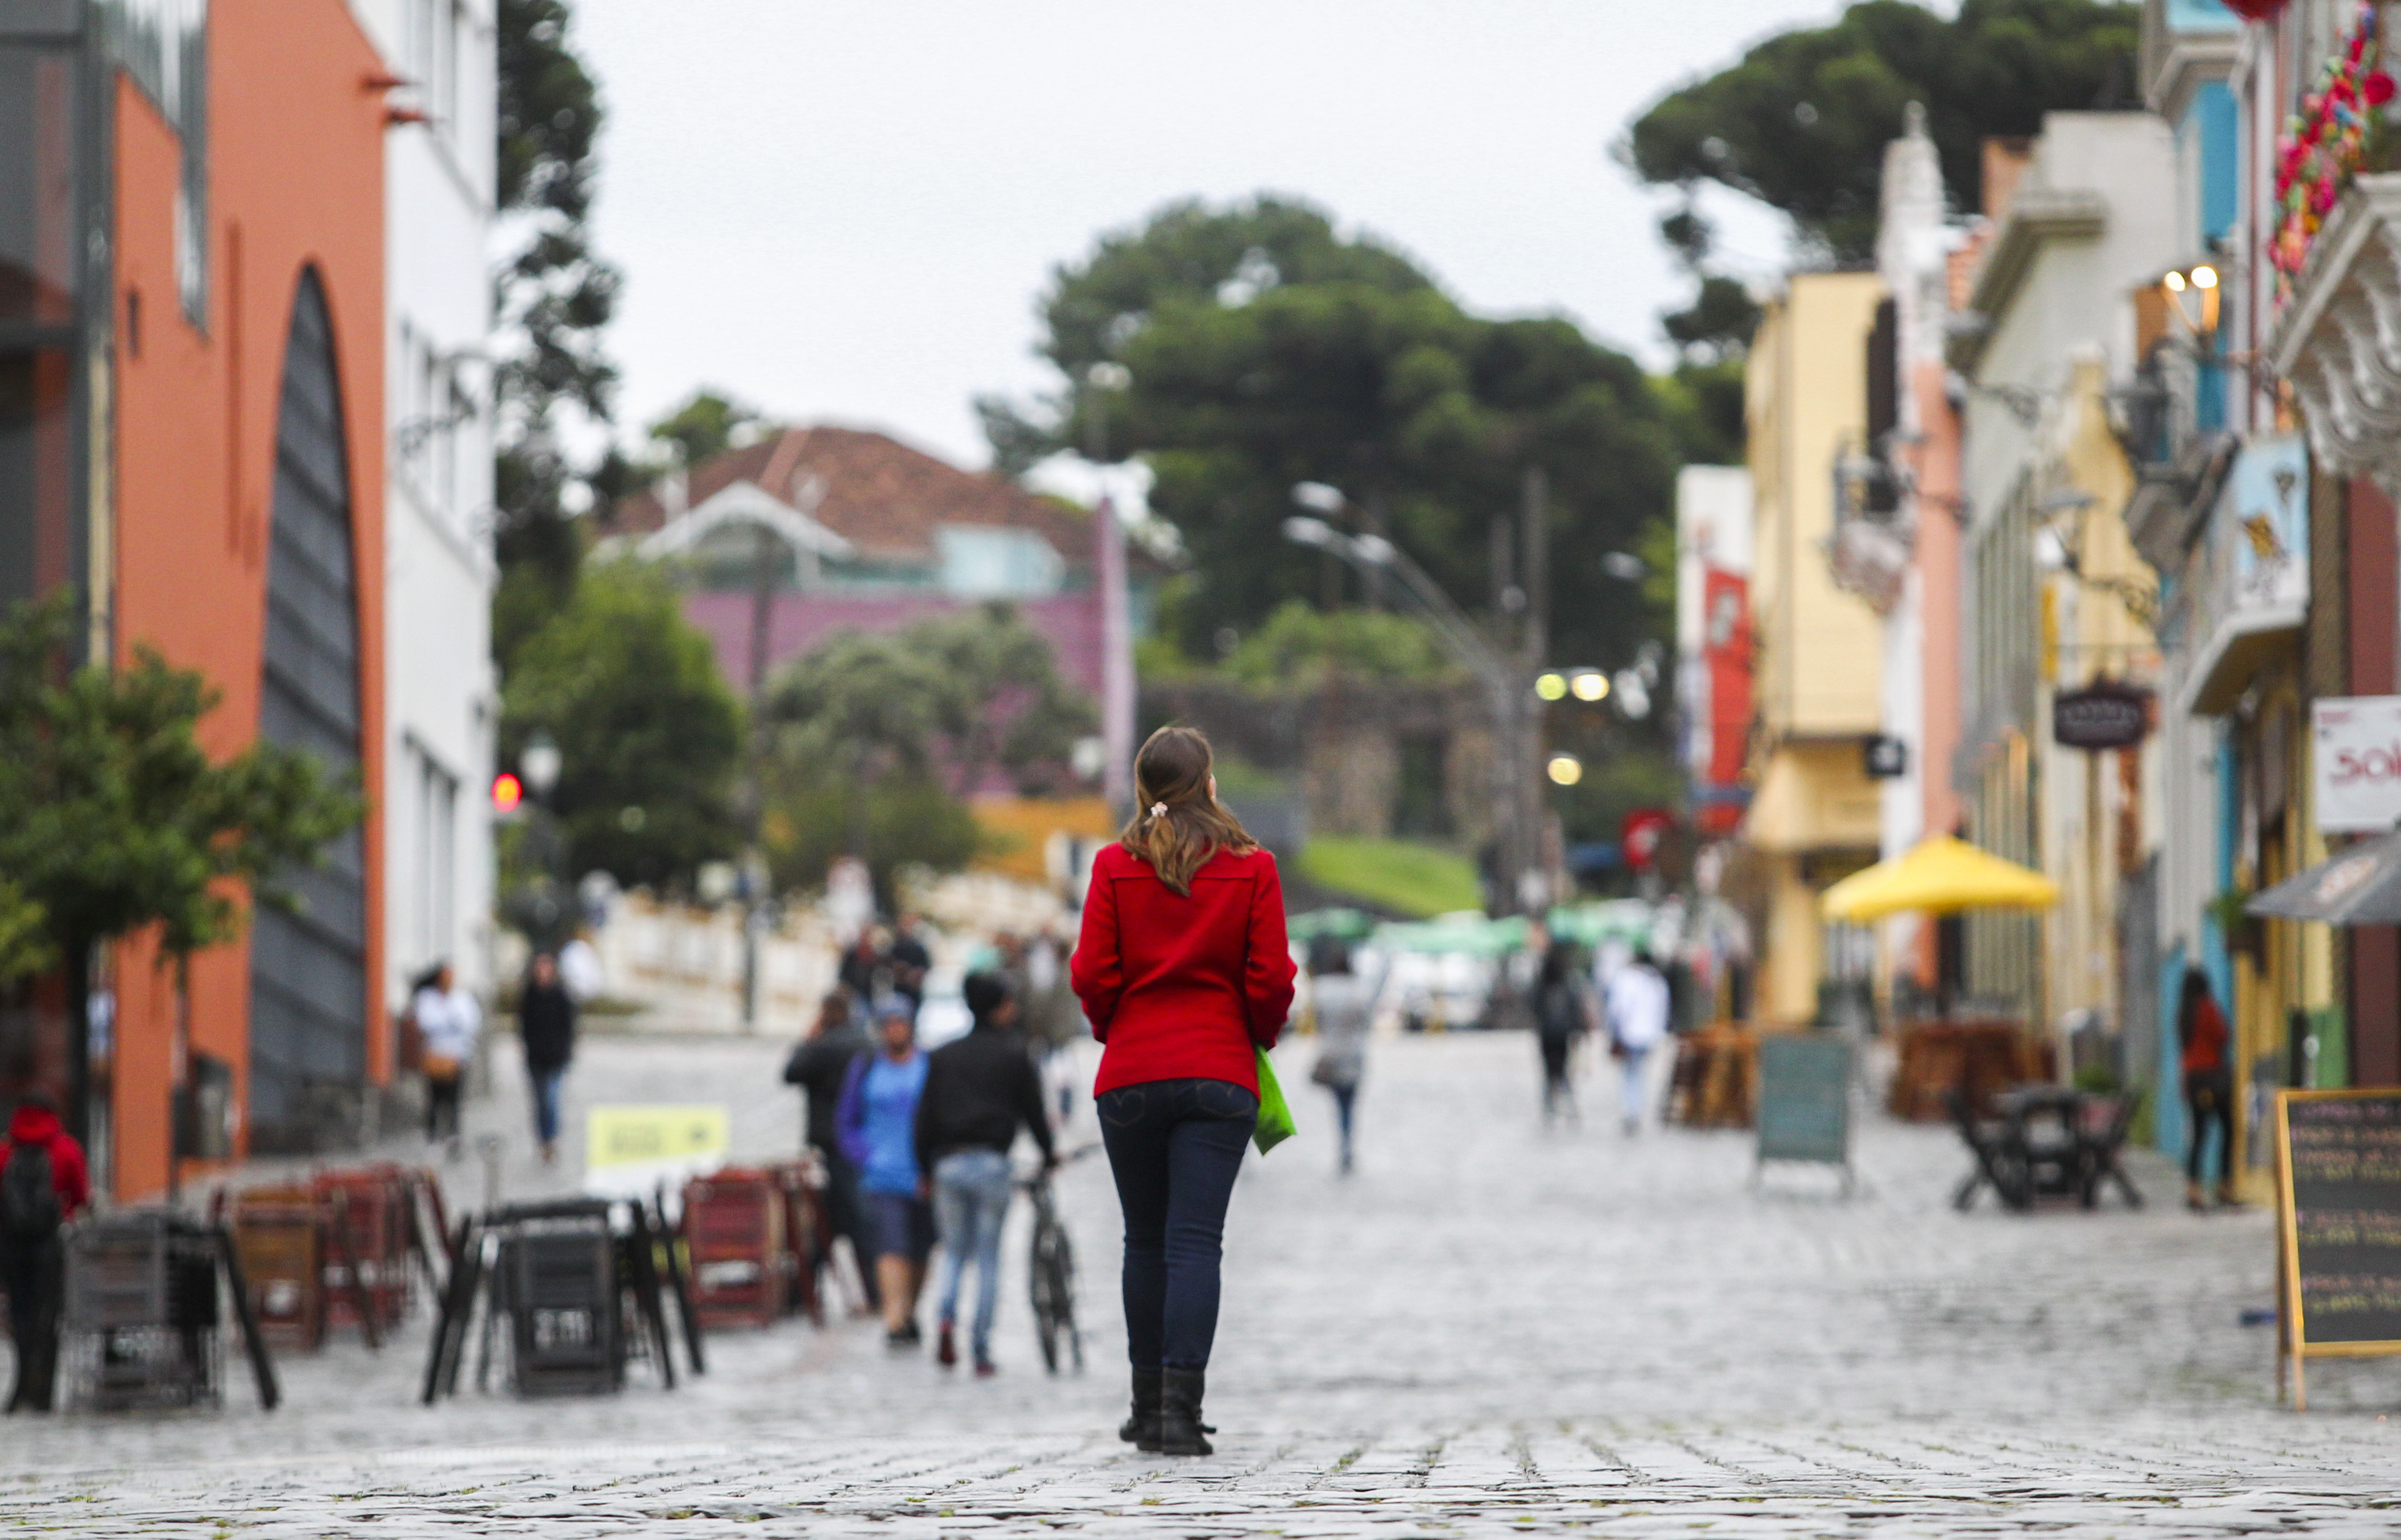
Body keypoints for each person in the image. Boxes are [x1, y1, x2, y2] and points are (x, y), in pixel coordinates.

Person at [1072, 725, 1295, 1457]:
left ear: (1143, 789)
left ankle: (1144, 1407)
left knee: (1143, 1240)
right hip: (1219, 1073)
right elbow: (1271, 978)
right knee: (1196, 1240)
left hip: (1131, 1073)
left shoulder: (1112, 865)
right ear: (1208, 784)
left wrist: (1116, 1028)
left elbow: (1091, 974)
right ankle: (1180, 1410)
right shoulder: (1253, 867)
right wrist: (1253, 1034)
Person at [915, 971, 1056, 1375]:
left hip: (948, 1163)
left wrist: (925, 1167)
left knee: (954, 1252)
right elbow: (1034, 1111)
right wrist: (1048, 1154)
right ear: (997, 1007)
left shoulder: (943, 1055)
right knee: (989, 1257)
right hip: (992, 1163)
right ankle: (980, 1347)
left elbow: (924, 1118)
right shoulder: (1014, 1054)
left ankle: (945, 1317)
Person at [838, 996, 934, 1347]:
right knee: (891, 1245)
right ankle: (894, 1318)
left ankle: (909, 1311)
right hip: (881, 1175)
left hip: (923, 1173)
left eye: (900, 1023)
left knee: (921, 1249)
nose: (895, 1030)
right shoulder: (865, 1066)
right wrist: (864, 1154)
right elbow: (846, 1119)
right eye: (888, 1024)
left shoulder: (928, 1066)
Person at [783, 987, 879, 1312]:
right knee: (836, 1217)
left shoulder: (824, 1045)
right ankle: (809, 1291)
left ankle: (806, 1292)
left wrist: (808, 1039)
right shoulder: (866, 1043)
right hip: (859, 1143)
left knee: (845, 1217)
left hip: (832, 1143)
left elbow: (791, 1072)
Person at [2, 1090, 90, 1413]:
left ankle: (21, 1385)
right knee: (48, 1314)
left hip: (11, 1246)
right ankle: (44, 1392)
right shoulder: (65, 1149)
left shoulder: (6, 1150)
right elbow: (80, 1195)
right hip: (49, 1244)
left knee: (20, 1313)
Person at [1307, 938, 1372, 1174]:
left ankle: (1342, 1140)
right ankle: (1347, 1142)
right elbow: (1366, 1021)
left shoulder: (1322, 989)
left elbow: (1318, 1021)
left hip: (1330, 1052)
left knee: (1337, 1102)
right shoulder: (1360, 990)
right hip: (1354, 1053)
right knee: (1350, 1102)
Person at [2179, 967, 2235, 1211]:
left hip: (2193, 1080)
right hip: (2213, 1078)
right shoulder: (2207, 1008)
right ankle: (2224, 1186)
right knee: (2228, 1129)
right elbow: (2223, 1035)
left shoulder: (2183, 1013)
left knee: (2199, 1134)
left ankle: (2193, 1189)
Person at [412, 963, 481, 1156]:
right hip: (434, 1055)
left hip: (457, 1056)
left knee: (454, 1097)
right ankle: (433, 1134)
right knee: (434, 1097)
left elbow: (470, 1023)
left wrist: (449, 1021)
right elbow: (426, 1023)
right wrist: (449, 1023)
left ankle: (453, 1134)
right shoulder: (427, 998)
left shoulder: (462, 998)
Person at [1605, 947, 1672, 1136]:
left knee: (1630, 1074)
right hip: (1650, 1035)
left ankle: (1631, 1112)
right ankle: (1635, 1110)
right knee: (1640, 1073)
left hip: (1630, 1034)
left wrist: (1615, 1032)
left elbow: (1617, 1008)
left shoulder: (1627, 979)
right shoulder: (1658, 981)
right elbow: (1664, 1010)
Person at [518, 952, 577, 1164]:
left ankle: (551, 1139)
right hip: (536, 1059)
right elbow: (524, 1027)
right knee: (539, 1102)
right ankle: (542, 1139)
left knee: (551, 1099)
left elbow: (569, 1027)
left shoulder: (561, 996)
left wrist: (565, 1051)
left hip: (556, 1059)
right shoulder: (530, 996)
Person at [1531, 932, 1588, 1127]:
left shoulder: (1542, 987)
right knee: (1563, 1072)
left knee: (1549, 1073)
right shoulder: (1567, 986)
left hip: (1547, 1034)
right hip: (1563, 1034)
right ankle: (1570, 1109)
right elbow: (1575, 1010)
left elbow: (1534, 1007)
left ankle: (1549, 1109)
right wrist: (1580, 1032)